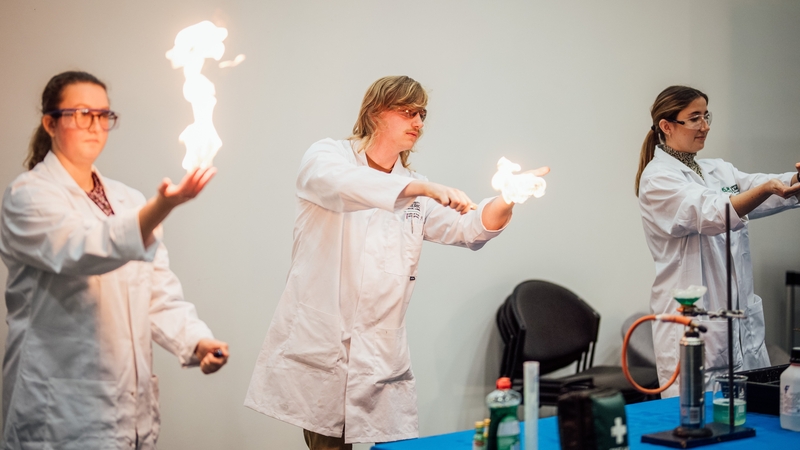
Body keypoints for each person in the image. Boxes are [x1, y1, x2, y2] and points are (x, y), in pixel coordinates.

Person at [244, 75, 549, 448]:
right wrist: (420, 188)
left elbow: (468, 229)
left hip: (380, 357)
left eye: (421, 114)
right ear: (375, 113)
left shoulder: (415, 189)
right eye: (408, 112)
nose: (419, 123)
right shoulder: (328, 157)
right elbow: (343, 184)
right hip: (324, 348)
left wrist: (509, 197)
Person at [0, 71, 230, 448]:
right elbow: (86, 248)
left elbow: (156, 294)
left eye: (103, 115)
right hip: (61, 412)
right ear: (50, 123)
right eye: (80, 113)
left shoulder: (128, 199)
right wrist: (163, 206)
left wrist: (196, 340)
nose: (95, 125)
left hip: (128, 409)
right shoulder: (28, 197)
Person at [636, 85, 800, 398]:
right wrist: (767, 188)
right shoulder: (658, 179)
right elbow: (712, 213)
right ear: (667, 126)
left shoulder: (717, 169)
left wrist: (794, 182)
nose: (705, 126)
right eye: (694, 118)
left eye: (706, 116)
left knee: (753, 421)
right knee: (699, 423)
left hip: (737, 323)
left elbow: (761, 188)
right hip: (694, 324)